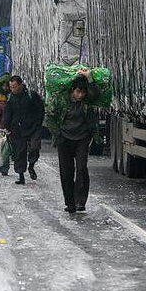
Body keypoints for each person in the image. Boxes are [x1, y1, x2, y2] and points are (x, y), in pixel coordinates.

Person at [56, 68, 99, 213]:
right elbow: (49, 116)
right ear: (72, 91)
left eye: (83, 92)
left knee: (81, 169)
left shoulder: (87, 102)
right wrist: (57, 133)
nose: (80, 95)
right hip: (64, 139)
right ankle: (70, 203)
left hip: (82, 139)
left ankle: (80, 201)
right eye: (78, 92)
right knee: (66, 171)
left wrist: (89, 78)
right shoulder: (62, 101)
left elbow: (96, 94)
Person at [3, 75, 45, 185]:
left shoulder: (31, 95)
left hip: (33, 127)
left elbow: (40, 109)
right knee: (19, 153)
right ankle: (21, 175)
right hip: (17, 128)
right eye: (11, 87)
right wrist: (5, 127)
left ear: (20, 85)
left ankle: (31, 165)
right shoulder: (10, 97)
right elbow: (8, 113)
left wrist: (38, 124)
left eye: (14, 87)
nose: (13, 89)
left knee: (34, 148)